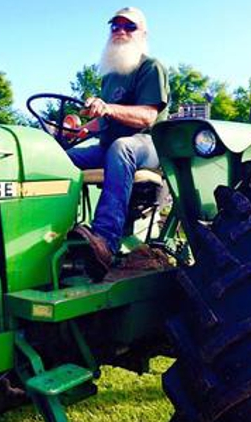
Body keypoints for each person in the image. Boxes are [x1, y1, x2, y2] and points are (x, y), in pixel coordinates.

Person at [68, 6, 169, 281]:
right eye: (116, 26)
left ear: (142, 34)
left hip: (147, 146)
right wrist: (80, 131)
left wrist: (107, 108)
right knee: (60, 158)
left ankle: (106, 242)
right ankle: (58, 233)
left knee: (121, 147)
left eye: (129, 26)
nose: (121, 31)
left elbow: (148, 116)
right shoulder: (110, 75)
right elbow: (104, 121)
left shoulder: (151, 68)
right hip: (108, 146)